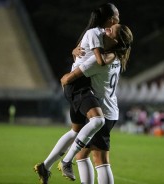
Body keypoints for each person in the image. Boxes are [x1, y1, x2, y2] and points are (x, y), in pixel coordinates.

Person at [33, 3, 120, 184]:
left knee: (80, 135)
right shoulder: (101, 38)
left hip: (85, 90)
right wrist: (76, 52)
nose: (118, 20)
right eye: (117, 17)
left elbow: (84, 61)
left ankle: (52, 164)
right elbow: (88, 53)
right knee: (90, 144)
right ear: (111, 19)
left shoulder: (102, 45)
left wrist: (67, 76)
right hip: (85, 91)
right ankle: (60, 162)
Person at [60, 24, 133, 184]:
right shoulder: (117, 56)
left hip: (101, 111)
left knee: (93, 158)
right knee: (93, 156)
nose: (106, 29)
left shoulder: (100, 60)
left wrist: (65, 78)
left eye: (111, 30)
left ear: (115, 40)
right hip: (111, 111)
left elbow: (69, 78)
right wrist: (75, 51)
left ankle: (65, 162)